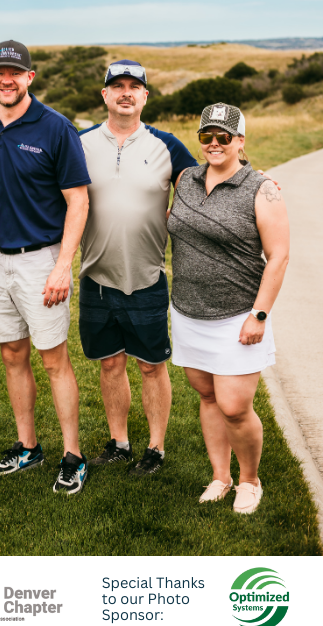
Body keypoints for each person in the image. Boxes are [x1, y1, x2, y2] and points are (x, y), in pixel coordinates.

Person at [0, 40, 91, 494]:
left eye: (14, 73)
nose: (6, 80)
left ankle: (73, 455)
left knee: (54, 359)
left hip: (41, 261)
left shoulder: (56, 128)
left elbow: (78, 201)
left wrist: (62, 266)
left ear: (30, 78)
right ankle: (28, 447)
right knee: (11, 356)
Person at [167, 102, 290, 513]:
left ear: (240, 141)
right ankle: (220, 476)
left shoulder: (262, 188)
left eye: (224, 136)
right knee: (207, 397)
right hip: (187, 311)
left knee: (235, 406)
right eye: (207, 136)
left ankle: (249, 481)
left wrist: (259, 314)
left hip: (239, 316)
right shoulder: (185, 178)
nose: (215, 144)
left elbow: (279, 257)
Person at [78, 60, 198, 475]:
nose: (126, 92)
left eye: (134, 86)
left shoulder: (167, 146)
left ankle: (156, 448)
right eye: (118, 86)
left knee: (151, 366)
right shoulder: (80, 144)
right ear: (105, 95)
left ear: (145, 96)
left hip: (147, 276)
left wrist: (257, 182)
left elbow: (208, 184)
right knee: (110, 363)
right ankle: (119, 443)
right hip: (95, 276)